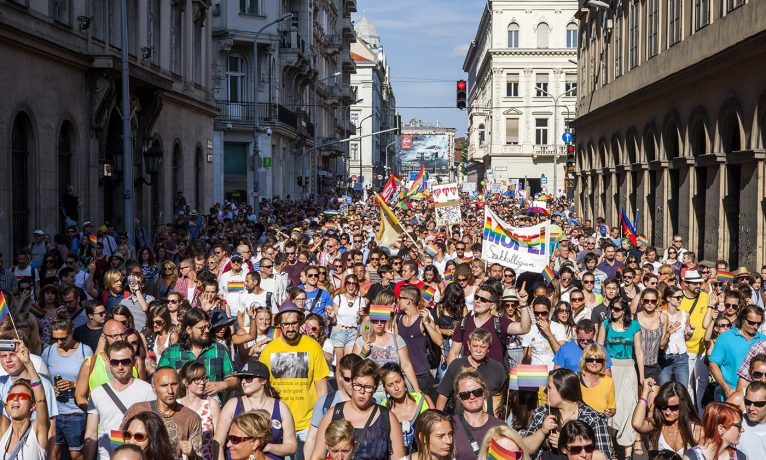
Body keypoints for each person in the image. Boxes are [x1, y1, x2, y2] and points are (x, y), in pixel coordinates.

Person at [259, 300, 330, 459]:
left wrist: (320, 421)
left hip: (307, 424)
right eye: (285, 324)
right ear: (279, 325)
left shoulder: (313, 347)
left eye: (293, 323)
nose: (290, 328)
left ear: (300, 322)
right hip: (277, 423)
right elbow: (262, 388)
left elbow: (322, 389)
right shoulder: (269, 351)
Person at [311, 359, 405, 460]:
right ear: (351, 384)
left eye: (368, 387)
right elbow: (317, 456)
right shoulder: (333, 414)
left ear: (375, 388)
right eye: (358, 385)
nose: (362, 391)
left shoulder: (387, 418)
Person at [83, 340, 155, 460]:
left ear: (133, 362)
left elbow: (153, 430)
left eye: (125, 362)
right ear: (109, 363)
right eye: (115, 362)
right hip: (106, 456)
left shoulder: (147, 390)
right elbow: (91, 432)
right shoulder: (97, 393)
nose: (120, 367)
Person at [522, 368, 614, 460]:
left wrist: (566, 445)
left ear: (563, 390)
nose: (545, 391)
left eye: (549, 387)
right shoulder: (542, 412)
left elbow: (605, 456)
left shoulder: (593, 419)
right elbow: (524, 448)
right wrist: (542, 432)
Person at [216, 358, 296, 460]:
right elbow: (218, 441)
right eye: (242, 378)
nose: (243, 382)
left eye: (248, 378)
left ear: (263, 380)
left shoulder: (281, 407)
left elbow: (292, 446)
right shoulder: (232, 404)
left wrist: (266, 447)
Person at [42, 311, 93, 460]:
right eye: (55, 338)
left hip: (76, 413)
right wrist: (52, 387)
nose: (59, 342)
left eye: (63, 338)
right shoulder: (49, 351)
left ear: (72, 332)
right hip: (54, 412)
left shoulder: (85, 350)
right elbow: (42, 380)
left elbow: (92, 380)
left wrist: (74, 384)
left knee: (76, 454)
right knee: (52, 453)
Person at [122, 366, 202, 459]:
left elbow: (199, 456)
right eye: (164, 385)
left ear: (180, 385)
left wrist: (192, 453)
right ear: (153, 388)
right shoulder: (137, 409)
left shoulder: (191, 417)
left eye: (174, 384)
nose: (170, 391)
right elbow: (116, 441)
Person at [597, 297, 644, 456]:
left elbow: (638, 352)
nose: (613, 312)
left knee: (630, 406)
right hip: (611, 369)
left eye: (616, 309)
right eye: (611, 308)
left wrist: (642, 377)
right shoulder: (606, 325)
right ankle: (609, 448)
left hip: (629, 368)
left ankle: (627, 452)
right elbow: (599, 348)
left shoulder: (634, 326)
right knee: (611, 407)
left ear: (624, 311)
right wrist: (601, 370)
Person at [449, 282, 531, 369]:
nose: (478, 301)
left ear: (492, 305)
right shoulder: (464, 323)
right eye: (476, 297)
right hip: (470, 378)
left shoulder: (500, 322)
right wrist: (453, 375)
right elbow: (454, 352)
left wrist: (523, 304)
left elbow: (524, 329)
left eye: (483, 299)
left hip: (495, 379)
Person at [157, 308, 238, 397]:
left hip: (212, 407)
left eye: (208, 327)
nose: (207, 331)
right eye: (202, 328)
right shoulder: (170, 353)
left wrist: (222, 384)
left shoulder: (219, 350)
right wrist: (177, 375)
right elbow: (158, 380)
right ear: (188, 329)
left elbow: (234, 380)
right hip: (180, 407)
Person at [302, 354, 363, 459]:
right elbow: (312, 438)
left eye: (355, 379)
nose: (352, 384)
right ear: (339, 375)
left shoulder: (371, 404)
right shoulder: (326, 402)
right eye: (347, 379)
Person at [436, 329, 506, 417]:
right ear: (469, 346)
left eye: (482, 347)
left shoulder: (497, 368)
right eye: (475, 346)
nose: (478, 350)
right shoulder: (456, 365)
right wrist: (438, 418)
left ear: (488, 348)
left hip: (488, 422)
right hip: (460, 421)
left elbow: (506, 398)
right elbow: (443, 394)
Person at [0, 341, 49, 459]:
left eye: (22, 396)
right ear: (6, 405)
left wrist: (28, 363)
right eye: (11, 397)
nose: (15, 398)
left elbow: (41, 399)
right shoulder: (4, 428)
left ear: (33, 406)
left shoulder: (37, 430)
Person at [709, 304, 766, 399]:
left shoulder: (763, 340)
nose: (755, 327)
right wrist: (726, 388)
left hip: (757, 397)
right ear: (743, 319)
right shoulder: (725, 337)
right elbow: (713, 364)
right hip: (730, 393)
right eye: (751, 323)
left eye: (758, 323)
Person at [631, 380, 702, 454]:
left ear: (683, 405)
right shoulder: (657, 424)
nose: (668, 412)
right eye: (664, 407)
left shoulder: (696, 430)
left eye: (673, 407)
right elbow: (637, 424)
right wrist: (645, 392)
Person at [450, 369, 505, 460]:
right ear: (458, 398)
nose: (472, 397)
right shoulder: (450, 426)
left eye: (477, 392)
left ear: (484, 393)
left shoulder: (500, 426)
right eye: (465, 394)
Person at [380, 362, 434, 453]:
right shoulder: (383, 409)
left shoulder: (423, 400)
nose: (396, 388)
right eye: (390, 385)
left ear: (404, 380)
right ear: (385, 388)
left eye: (398, 381)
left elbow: (436, 429)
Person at [679, 270, 710, 416]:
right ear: (686, 284)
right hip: (685, 349)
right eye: (695, 283)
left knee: (701, 383)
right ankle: (690, 414)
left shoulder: (705, 297)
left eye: (700, 282)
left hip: (702, 349)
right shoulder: (679, 299)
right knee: (687, 386)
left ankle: (698, 412)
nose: (698, 285)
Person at [178, 361, 219, 460]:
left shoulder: (211, 404)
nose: (202, 383)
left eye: (203, 378)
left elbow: (218, 440)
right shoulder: (177, 405)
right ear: (185, 381)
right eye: (197, 379)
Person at [681, 402, 745, 460]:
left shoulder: (740, 457)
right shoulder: (692, 457)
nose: (743, 430)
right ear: (721, 429)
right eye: (739, 425)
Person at [660, 286, 691, 386]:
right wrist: (668, 332)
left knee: (683, 390)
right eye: (678, 297)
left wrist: (690, 333)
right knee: (664, 390)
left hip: (682, 357)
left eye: (681, 297)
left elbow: (686, 338)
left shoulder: (685, 315)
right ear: (669, 298)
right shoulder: (661, 315)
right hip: (666, 356)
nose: (680, 299)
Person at [636, 288, 669, 382]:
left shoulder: (663, 318)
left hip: (654, 365)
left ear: (657, 302)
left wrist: (668, 334)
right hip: (637, 365)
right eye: (646, 301)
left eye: (653, 301)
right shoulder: (634, 318)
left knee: (653, 395)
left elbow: (662, 345)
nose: (650, 303)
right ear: (642, 301)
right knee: (639, 396)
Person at [578, 344, 615, 417]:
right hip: (580, 424)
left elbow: (612, 407)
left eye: (599, 360)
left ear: (603, 363)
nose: (594, 363)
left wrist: (610, 412)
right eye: (590, 360)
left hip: (599, 424)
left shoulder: (608, 381)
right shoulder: (576, 379)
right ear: (584, 361)